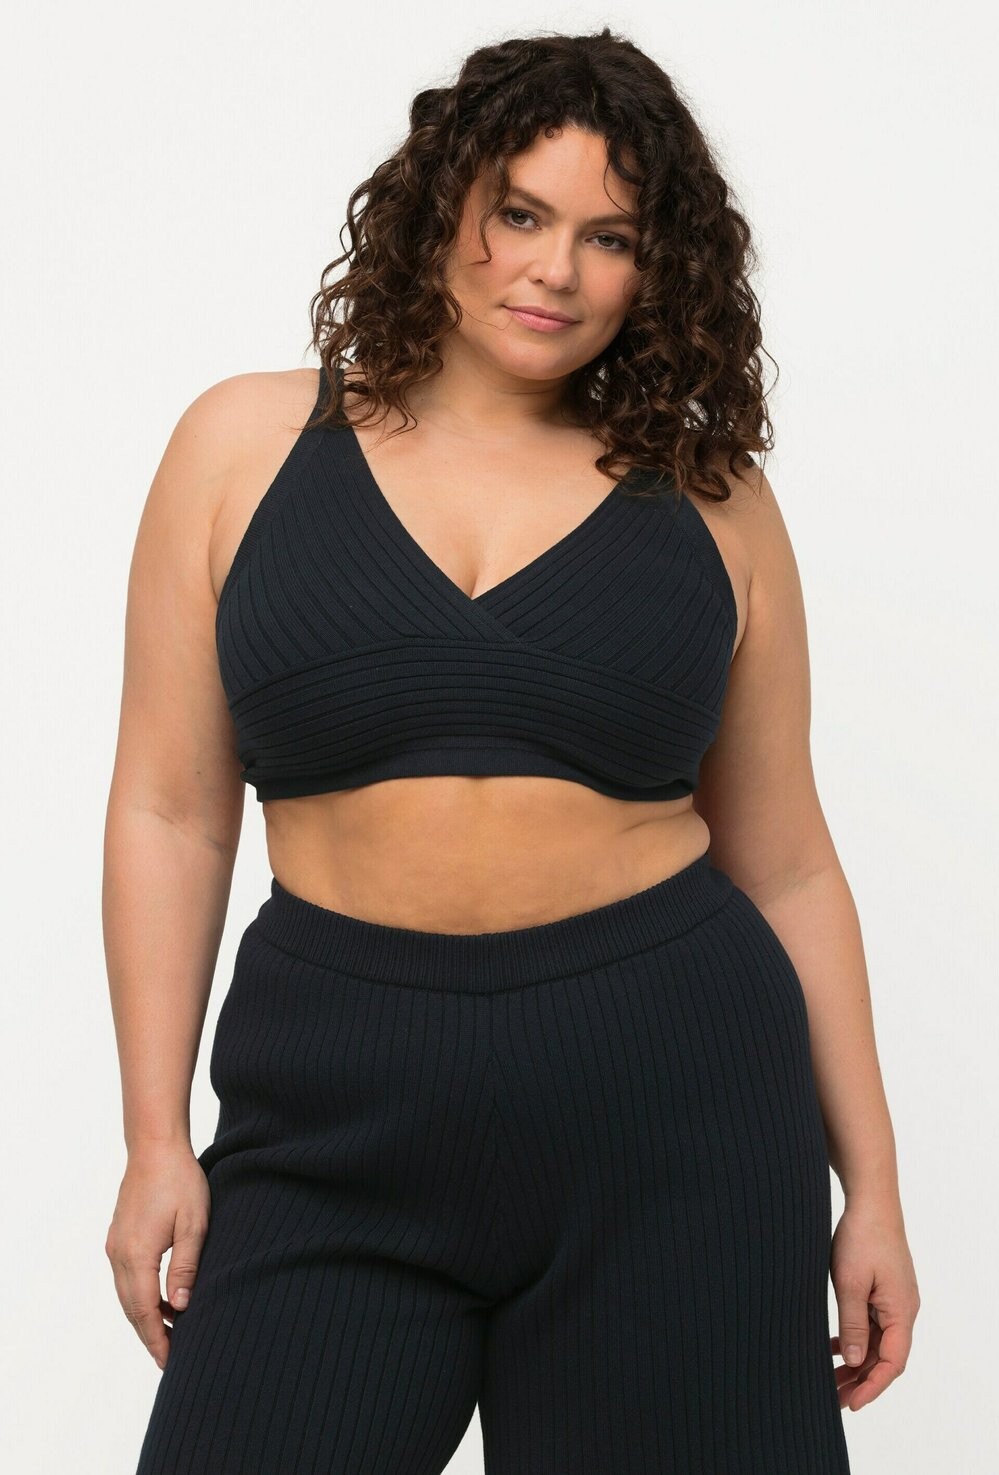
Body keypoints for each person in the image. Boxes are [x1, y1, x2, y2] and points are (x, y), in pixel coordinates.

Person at [105, 27, 919, 1475]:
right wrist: (155, 1138)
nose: (556, 271)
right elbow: (170, 812)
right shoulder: (242, 448)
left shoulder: (711, 499)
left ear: (658, 271)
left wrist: (876, 1191)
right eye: (522, 215)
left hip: (676, 1115)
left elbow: (789, 864)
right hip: (333, 1109)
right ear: (441, 210)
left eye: (611, 238)